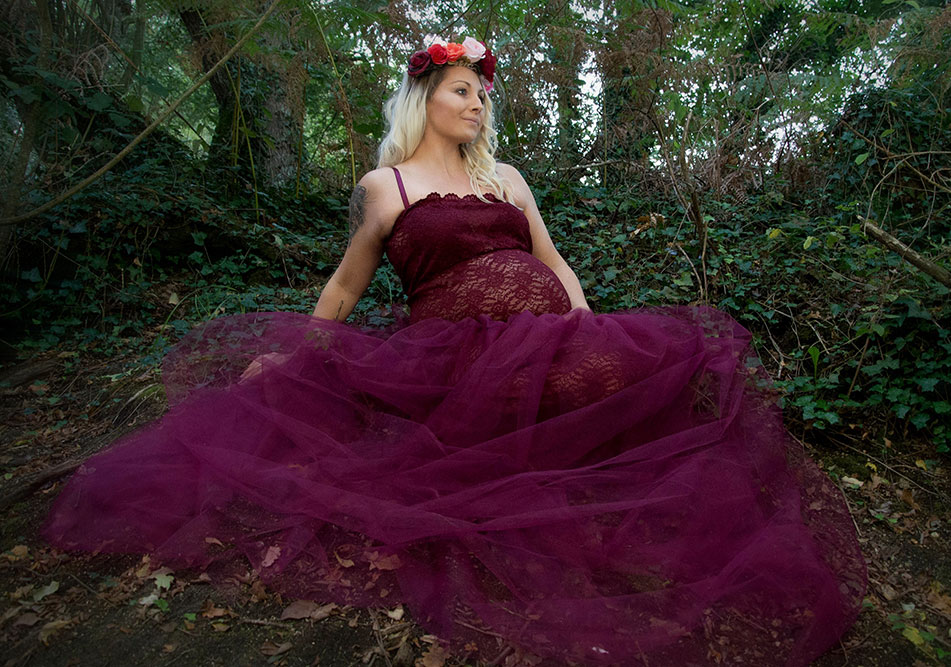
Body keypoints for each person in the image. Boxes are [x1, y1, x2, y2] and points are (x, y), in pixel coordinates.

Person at [43, 36, 866, 666]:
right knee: (471, 441)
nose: (477, 104)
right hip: (449, 354)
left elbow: (553, 262)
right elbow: (345, 288)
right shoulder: (387, 187)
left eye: (481, 94)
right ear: (425, 99)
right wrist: (296, 354)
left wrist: (589, 320)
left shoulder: (507, 178)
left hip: (549, 338)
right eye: (462, 91)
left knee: (644, 376)